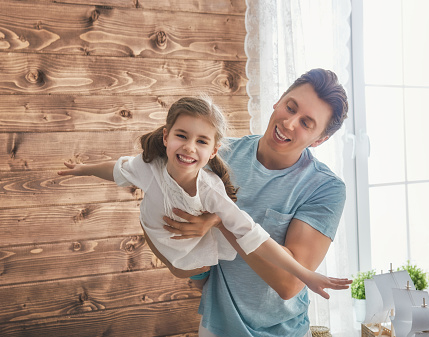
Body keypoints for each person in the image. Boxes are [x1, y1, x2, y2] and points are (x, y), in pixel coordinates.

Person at [57, 95, 350, 299]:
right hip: (200, 293)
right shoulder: (150, 165)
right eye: (181, 136)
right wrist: (82, 169)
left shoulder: (211, 189)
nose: (189, 148)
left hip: (199, 266)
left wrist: (306, 274)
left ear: (213, 151)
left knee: (196, 265)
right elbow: (118, 169)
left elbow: (253, 234)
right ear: (166, 136)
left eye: (306, 122)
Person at [163, 69, 351, 337]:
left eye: (306, 123)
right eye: (290, 107)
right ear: (278, 101)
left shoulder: (325, 188)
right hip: (215, 327)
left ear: (319, 140)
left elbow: (289, 283)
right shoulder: (219, 155)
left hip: (283, 333)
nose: (289, 123)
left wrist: (221, 220)